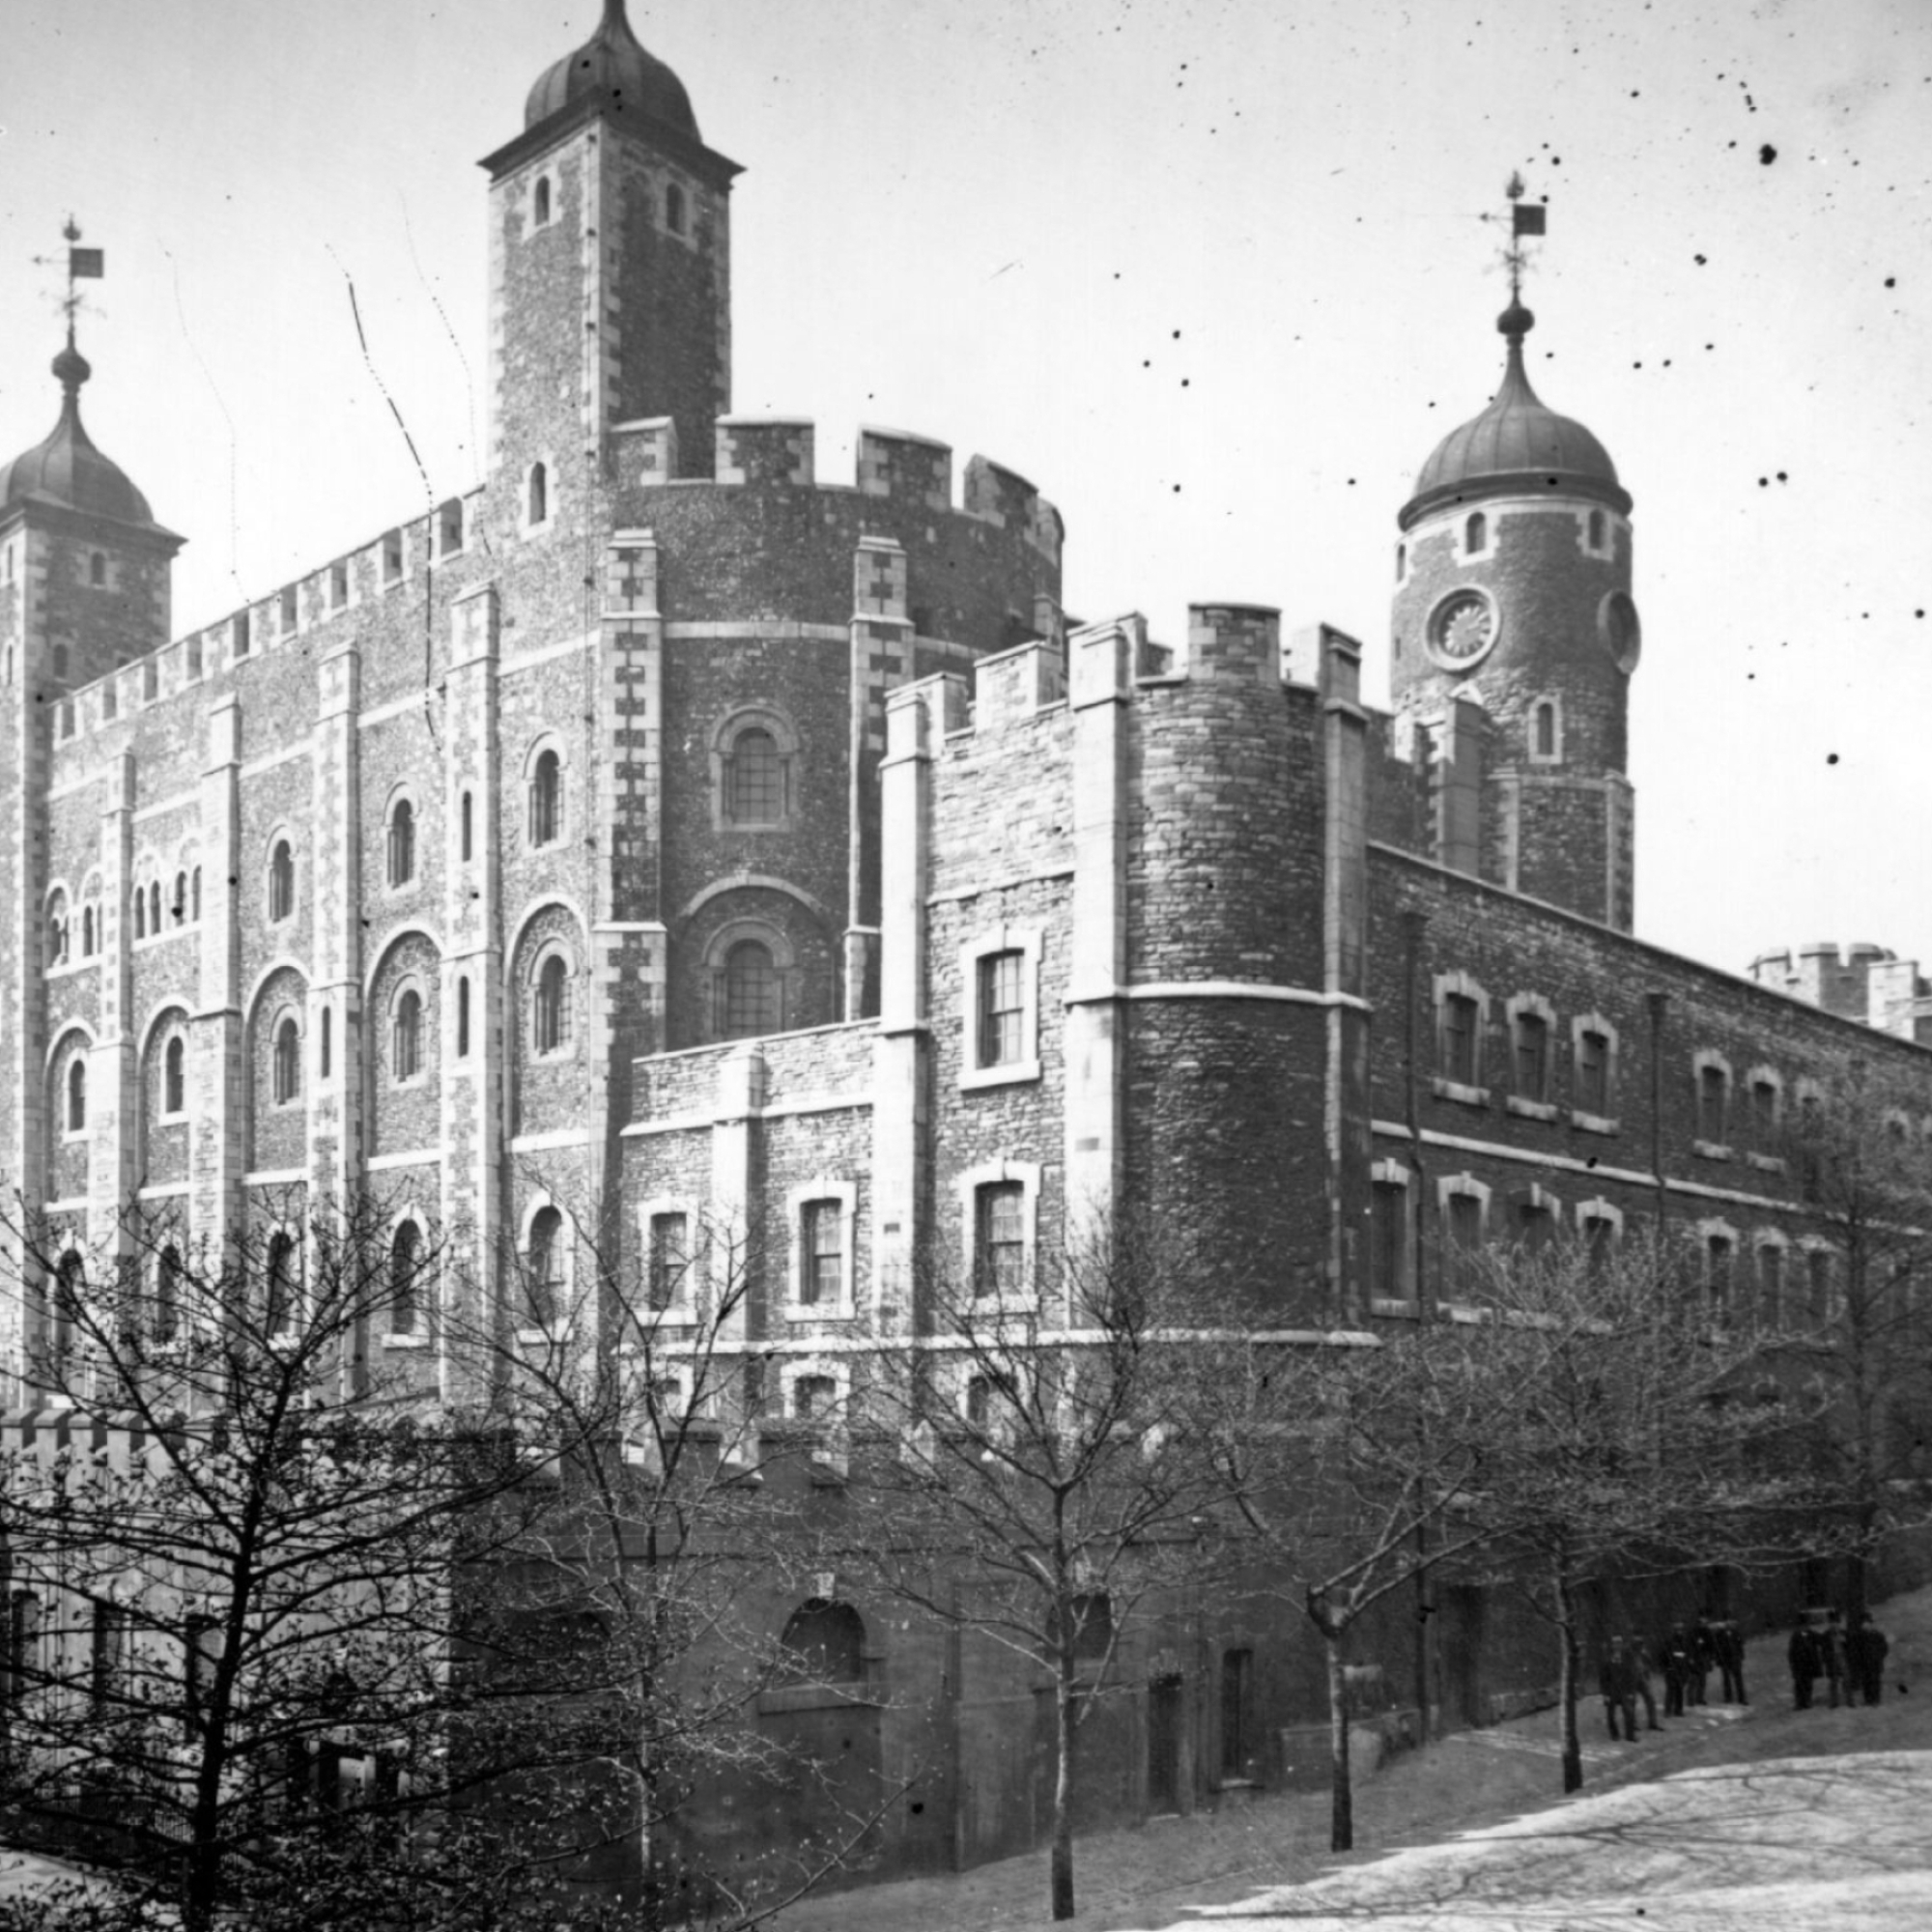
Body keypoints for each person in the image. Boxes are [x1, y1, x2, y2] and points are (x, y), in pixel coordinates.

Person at [1599, 1634, 1638, 1742]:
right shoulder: (1607, 1660)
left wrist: (1631, 1692)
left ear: (1622, 1645)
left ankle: (1630, 1735)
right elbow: (1603, 1679)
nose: (1617, 1646)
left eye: (1619, 1643)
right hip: (1612, 1691)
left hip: (1624, 1690)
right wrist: (1605, 1694)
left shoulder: (1627, 1659)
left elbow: (1631, 1676)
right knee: (1610, 1714)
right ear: (1612, 1645)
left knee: (1629, 1712)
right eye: (1615, 1643)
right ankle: (1614, 1734)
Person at [1850, 1615, 1889, 1707]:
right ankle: (1868, 1700)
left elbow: (1884, 1648)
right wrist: (1858, 1660)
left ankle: (1876, 1700)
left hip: (1875, 1663)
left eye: (1867, 1624)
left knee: (1875, 1681)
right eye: (1863, 1624)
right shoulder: (1859, 1637)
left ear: (1871, 1624)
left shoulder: (1878, 1635)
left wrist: (1878, 1656)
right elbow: (1856, 1650)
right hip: (1864, 1664)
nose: (1865, 1626)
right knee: (1866, 1682)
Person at [1713, 1618, 1748, 1704]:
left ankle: (1741, 1698)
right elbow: (1717, 1647)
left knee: (1738, 1680)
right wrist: (1718, 1659)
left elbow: (1740, 1644)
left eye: (1731, 1622)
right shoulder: (1719, 1633)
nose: (1730, 1624)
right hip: (1725, 1659)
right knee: (1727, 1680)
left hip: (1735, 1659)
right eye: (1728, 1622)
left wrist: (1741, 1656)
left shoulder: (1736, 1632)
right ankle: (1728, 1698)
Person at [1660, 1623, 1690, 1718]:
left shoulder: (1684, 1642)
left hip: (1681, 1670)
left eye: (1681, 1630)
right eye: (1677, 1630)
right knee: (1671, 1690)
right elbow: (1663, 1655)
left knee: (1680, 1690)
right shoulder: (1669, 1642)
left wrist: (1686, 1668)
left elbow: (1687, 1655)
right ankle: (1667, 1710)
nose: (1679, 1632)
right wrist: (1666, 1667)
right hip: (1671, 1669)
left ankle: (1678, 1710)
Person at [1789, 1616, 1819, 1710]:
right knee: (1799, 1684)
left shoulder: (1811, 1635)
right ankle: (1799, 1703)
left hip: (1809, 1664)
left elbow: (1820, 1640)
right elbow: (1791, 1651)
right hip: (1799, 1664)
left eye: (1806, 1625)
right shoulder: (1795, 1636)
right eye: (1804, 1625)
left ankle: (1807, 1701)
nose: (1805, 1627)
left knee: (1808, 1684)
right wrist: (1792, 1663)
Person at [1822, 1607, 1850, 1709]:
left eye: (1836, 1622)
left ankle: (1849, 1701)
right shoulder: (1826, 1635)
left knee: (1846, 1680)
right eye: (1832, 1622)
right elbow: (1824, 1649)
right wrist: (1826, 1660)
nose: (1834, 1625)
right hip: (1832, 1659)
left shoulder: (1844, 1633)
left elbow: (1850, 1647)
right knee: (1833, 1681)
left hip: (1843, 1657)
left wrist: (1845, 1641)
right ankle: (1834, 1702)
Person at [1687, 1615, 1715, 1707]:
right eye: (1702, 1621)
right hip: (1695, 1657)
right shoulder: (1693, 1632)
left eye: (1705, 1622)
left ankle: (1700, 1698)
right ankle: (1690, 1699)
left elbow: (1711, 1646)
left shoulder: (1708, 1632)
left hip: (1704, 1657)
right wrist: (1690, 1657)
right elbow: (1689, 1645)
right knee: (1693, 1679)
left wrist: (1711, 1658)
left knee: (1703, 1679)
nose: (1704, 1623)